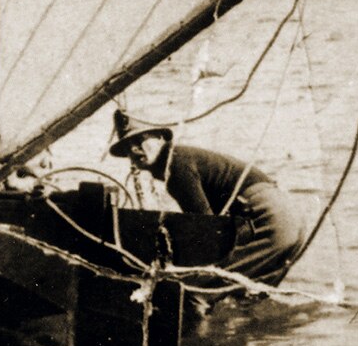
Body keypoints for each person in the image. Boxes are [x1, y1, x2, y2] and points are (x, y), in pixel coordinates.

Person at [109, 111, 313, 286]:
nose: (134, 150)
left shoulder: (176, 165)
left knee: (201, 289)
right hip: (288, 216)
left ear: (160, 138)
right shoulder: (183, 157)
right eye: (128, 148)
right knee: (245, 293)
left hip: (267, 217)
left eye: (140, 140)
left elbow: (205, 227)